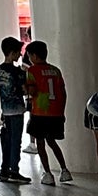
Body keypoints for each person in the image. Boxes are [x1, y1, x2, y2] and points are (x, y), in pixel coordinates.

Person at [23, 40, 72, 185]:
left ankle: (48, 173)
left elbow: (32, 91)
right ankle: (64, 170)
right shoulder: (56, 70)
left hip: (40, 112)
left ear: (34, 56)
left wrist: (24, 87)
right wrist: (61, 111)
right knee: (52, 141)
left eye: (29, 56)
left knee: (40, 142)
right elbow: (63, 92)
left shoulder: (32, 71)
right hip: (56, 112)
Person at [0, 37, 30, 183]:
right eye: (18, 52)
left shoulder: (0, 69)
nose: (20, 55)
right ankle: (14, 170)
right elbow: (24, 90)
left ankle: (4, 170)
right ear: (12, 52)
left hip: (6, 110)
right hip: (17, 109)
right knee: (16, 141)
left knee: (6, 140)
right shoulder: (18, 72)